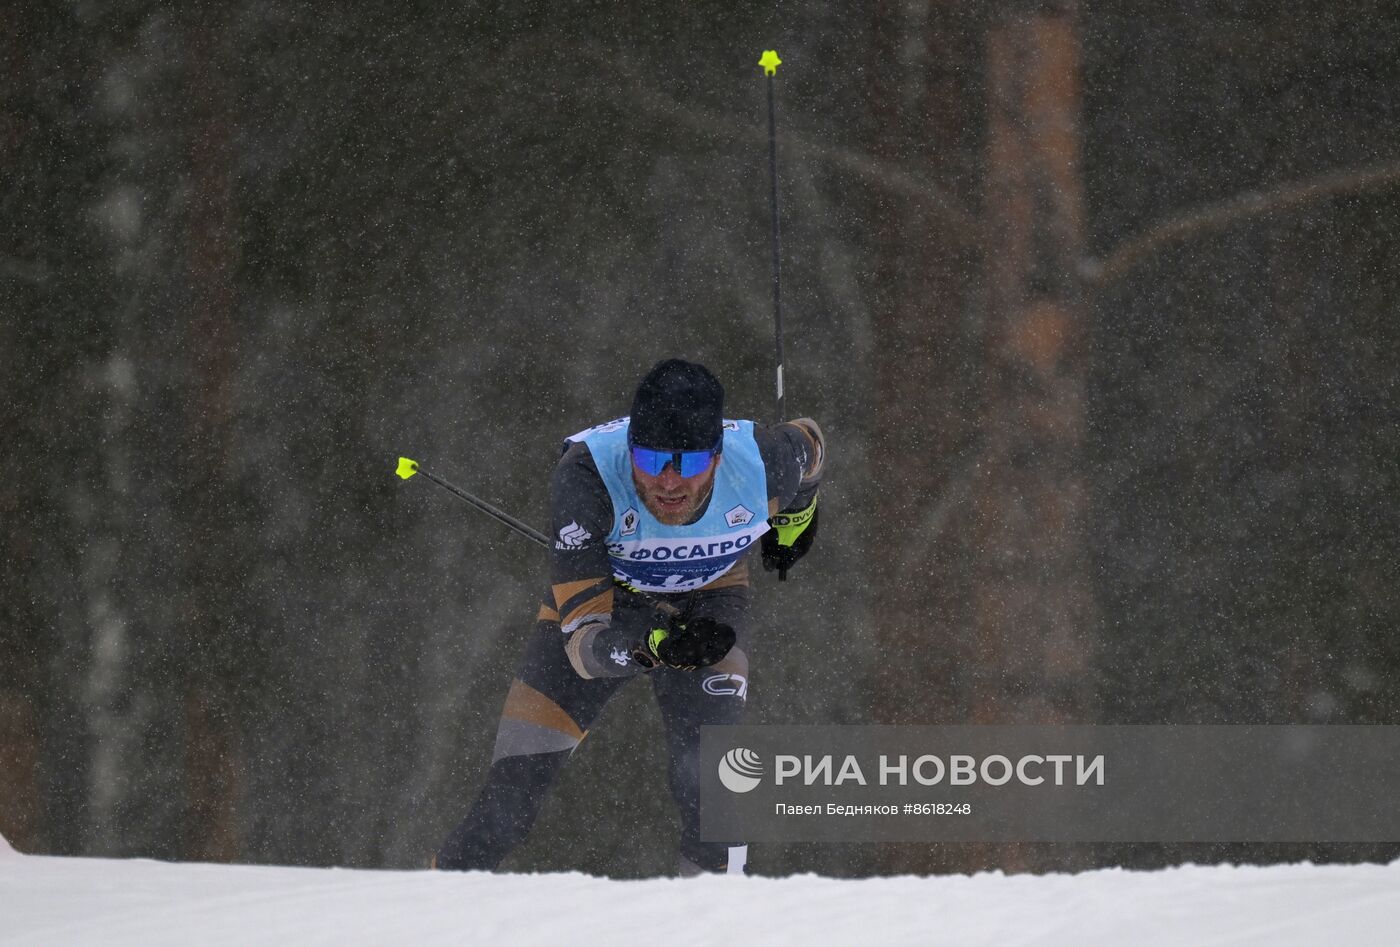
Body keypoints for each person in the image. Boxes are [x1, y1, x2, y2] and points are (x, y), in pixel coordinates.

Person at [434, 358, 824, 875]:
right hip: (610, 605)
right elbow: (584, 645)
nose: (667, 481)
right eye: (650, 458)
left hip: (712, 602)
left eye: (686, 464)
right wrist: (651, 644)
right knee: (508, 806)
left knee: (712, 792)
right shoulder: (586, 475)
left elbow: (813, 442)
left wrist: (796, 522)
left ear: (717, 455)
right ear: (630, 449)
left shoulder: (765, 459)